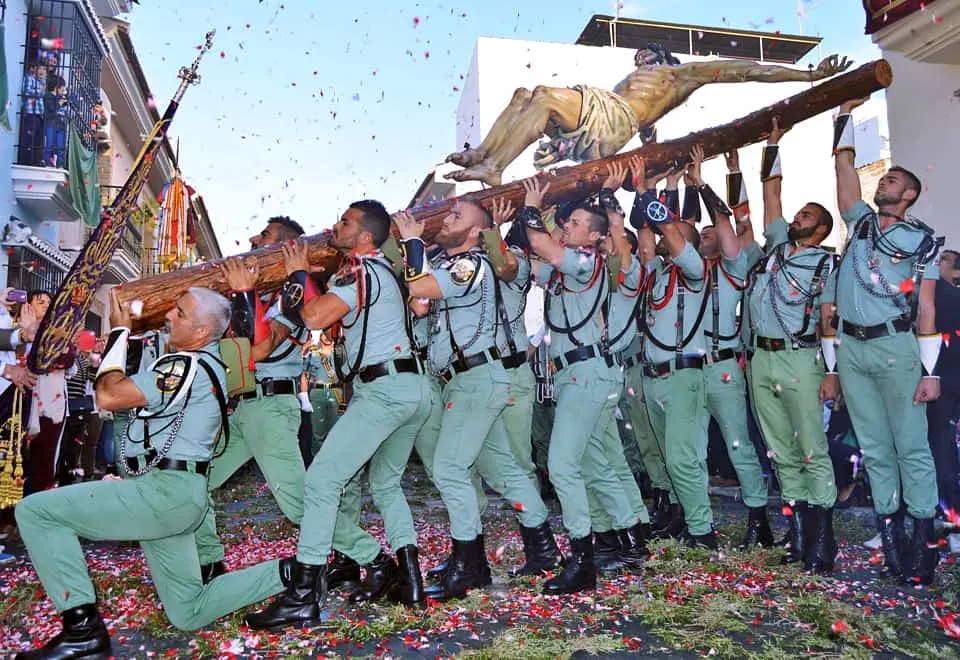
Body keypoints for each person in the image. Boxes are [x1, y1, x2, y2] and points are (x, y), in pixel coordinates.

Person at [14, 289, 285, 659]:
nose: (168, 317)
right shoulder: (208, 367)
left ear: (202, 332)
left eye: (180, 312)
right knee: (189, 610)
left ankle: (82, 631)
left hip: (162, 494)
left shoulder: (183, 366)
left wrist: (119, 333)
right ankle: (295, 572)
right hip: (178, 497)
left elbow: (108, 396)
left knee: (35, 512)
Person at [247, 201, 435, 630]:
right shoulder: (391, 270)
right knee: (385, 483)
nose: (335, 225)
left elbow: (314, 317)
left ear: (365, 237)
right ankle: (408, 579)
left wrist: (298, 274)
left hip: (384, 390)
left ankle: (302, 596)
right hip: (410, 386)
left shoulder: (360, 269)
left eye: (345, 222)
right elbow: (414, 309)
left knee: (321, 482)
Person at [393, 199, 557, 601]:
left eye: (456, 216)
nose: (444, 219)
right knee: (504, 471)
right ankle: (544, 548)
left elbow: (420, 286)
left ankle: (470, 566)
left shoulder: (470, 264)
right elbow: (421, 303)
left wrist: (413, 241)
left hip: (476, 379)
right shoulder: (448, 266)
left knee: (450, 468)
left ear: (473, 233)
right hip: (466, 381)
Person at [443, 46, 851, 187]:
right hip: (608, 120)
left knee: (547, 96)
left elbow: (747, 70)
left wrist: (809, 75)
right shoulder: (638, 88)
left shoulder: (680, 75)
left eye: (646, 59)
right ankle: (483, 156)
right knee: (523, 95)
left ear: (663, 61)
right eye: (637, 61)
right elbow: (648, 138)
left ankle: (495, 164)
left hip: (615, 118)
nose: (639, 62)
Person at [828, 97, 943, 586]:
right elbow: (844, 171)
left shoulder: (925, 241)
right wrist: (844, 117)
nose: (884, 183)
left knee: (910, 446)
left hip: (896, 348)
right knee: (874, 448)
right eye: (884, 178)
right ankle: (892, 538)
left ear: (910, 194)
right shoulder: (860, 223)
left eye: (893, 180)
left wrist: (931, 371)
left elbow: (927, 308)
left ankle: (923, 542)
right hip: (852, 350)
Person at [521, 175, 645, 594]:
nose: (567, 227)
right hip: (581, 372)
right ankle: (630, 541)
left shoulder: (585, 261)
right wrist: (551, 217)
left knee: (561, 465)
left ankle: (583, 560)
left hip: (587, 372)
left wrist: (533, 208)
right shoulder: (569, 262)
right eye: (567, 222)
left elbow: (540, 245)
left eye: (575, 223)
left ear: (593, 235)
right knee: (593, 462)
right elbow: (531, 261)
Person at [738, 120, 839, 572]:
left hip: (802, 356)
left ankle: (824, 541)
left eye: (806, 216)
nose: (796, 218)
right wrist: (773, 143)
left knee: (810, 446)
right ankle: (798, 534)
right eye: (798, 214)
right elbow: (771, 195)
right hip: (762, 357)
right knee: (779, 447)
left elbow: (829, 322)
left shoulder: (827, 264)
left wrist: (832, 372)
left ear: (820, 228)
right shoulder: (777, 249)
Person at [194, 217, 311, 584]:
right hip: (243, 409)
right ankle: (209, 562)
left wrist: (244, 294)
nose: (252, 237)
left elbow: (260, 348)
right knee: (196, 478)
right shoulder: (259, 297)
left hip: (273, 410)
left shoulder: (295, 297)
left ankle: (360, 557)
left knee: (296, 502)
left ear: (285, 248)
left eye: (265, 235)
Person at [687, 145, 774, 549]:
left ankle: (758, 517)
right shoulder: (684, 272)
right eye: (700, 235)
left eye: (710, 234)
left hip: (723, 367)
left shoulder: (735, 266)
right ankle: (695, 521)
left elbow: (730, 220)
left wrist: (710, 182)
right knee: (689, 448)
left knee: (738, 442)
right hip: (687, 369)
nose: (706, 236)